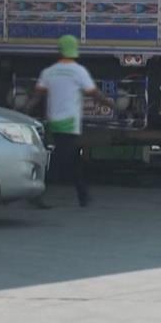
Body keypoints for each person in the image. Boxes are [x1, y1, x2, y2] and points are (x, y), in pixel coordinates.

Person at [23, 35, 110, 207]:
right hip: (69, 123)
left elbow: (36, 97)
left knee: (72, 158)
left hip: (54, 121)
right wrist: (110, 104)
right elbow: (94, 94)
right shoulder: (79, 71)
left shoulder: (48, 72)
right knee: (61, 160)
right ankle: (37, 193)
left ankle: (83, 195)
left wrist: (24, 111)